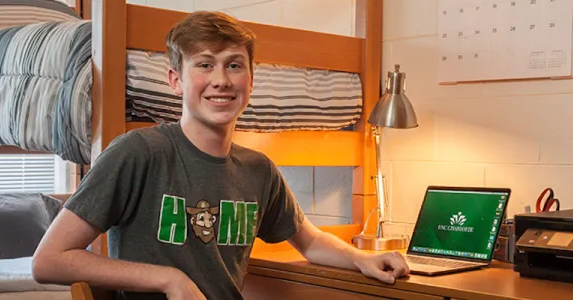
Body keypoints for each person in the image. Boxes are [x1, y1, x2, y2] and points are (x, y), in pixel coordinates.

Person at [31, 10, 409, 300]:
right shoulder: (139, 153)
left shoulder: (258, 169)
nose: (222, 80)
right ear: (175, 81)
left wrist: (362, 258)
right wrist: (169, 279)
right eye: (205, 64)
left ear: (251, 79)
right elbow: (48, 260)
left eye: (234, 65)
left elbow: (309, 242)